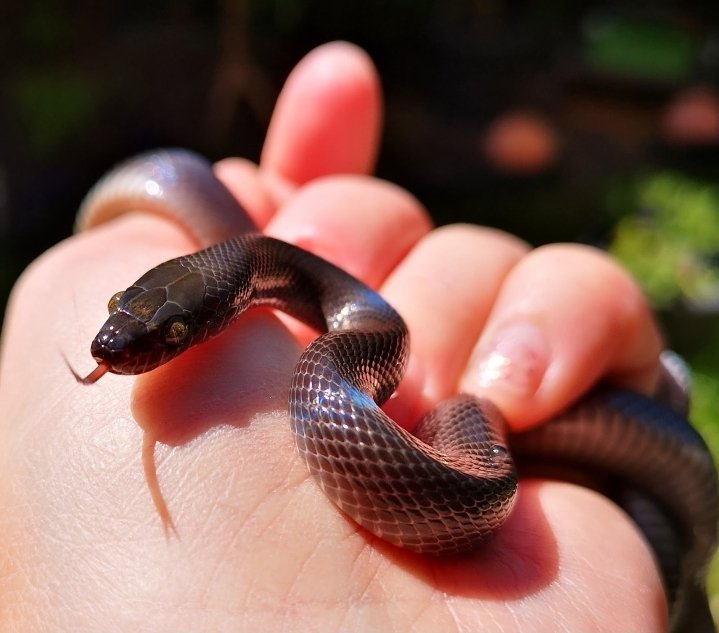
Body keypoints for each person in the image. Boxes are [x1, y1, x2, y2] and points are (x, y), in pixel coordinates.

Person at [0, 42, 668, 631]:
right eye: (124, 305)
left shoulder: (343, 352)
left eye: (171, 332)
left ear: (231, 300)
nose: (115, 349)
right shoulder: (264, 299)